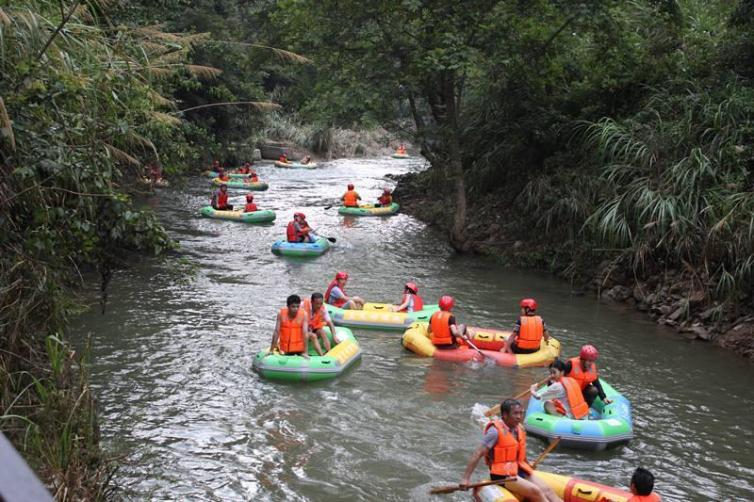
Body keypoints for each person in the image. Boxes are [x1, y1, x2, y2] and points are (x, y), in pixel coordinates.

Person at [461, 399, 562, 502]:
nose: (519, 417)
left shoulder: (519, 428)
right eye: (515, 413)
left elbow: (519, 451)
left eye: (521, 413)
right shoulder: (494, 431)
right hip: (502, 475)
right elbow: (478, 453)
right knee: (536, 491)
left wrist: (527, 463)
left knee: (547, 490)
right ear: (505, 414)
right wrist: (465, 479)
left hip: (518, 469)